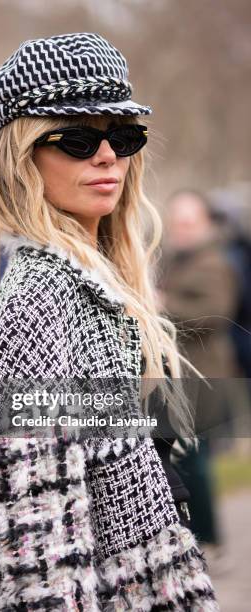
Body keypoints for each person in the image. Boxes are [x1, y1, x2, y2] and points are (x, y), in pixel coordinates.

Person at [0, 34, 218, 610]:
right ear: (25, 157)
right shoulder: (43, 289)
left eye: (122, 135)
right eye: (78, 139)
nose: (108, 155)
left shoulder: (100, 279)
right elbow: (39, 523)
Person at [160, 188, 239, 572]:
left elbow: (213, 313)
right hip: (180, 378)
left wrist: (160, 304)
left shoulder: (214, 264)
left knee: (196, 464)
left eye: (189, 221)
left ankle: (209, 542)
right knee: (185, 460)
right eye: (177, 221)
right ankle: (193, 537)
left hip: (204, 380)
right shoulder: (176, 260)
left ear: (205, 224)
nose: (181, 228)